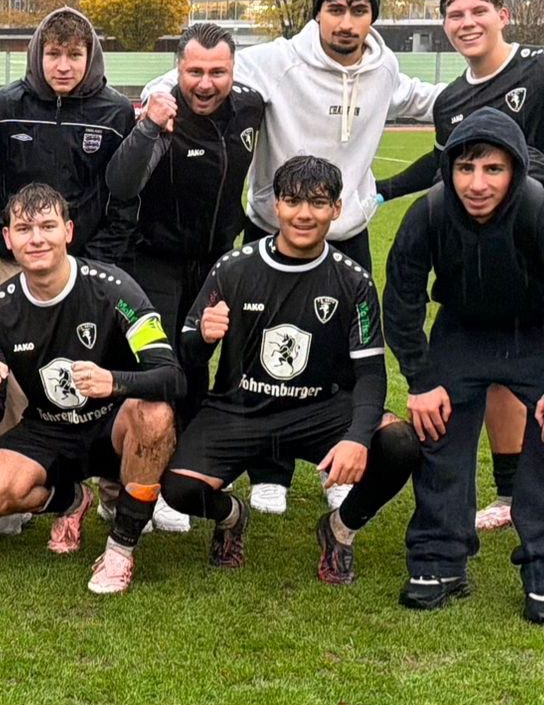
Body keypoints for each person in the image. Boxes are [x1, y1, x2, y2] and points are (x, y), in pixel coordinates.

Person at [142, 0, 438, 516]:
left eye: (359, 11)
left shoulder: (384, 64)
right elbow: (201, 74)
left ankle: (336, 467)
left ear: (373, 16)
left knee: (342, 356)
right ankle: (268, 471)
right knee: (251, 350)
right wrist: (157, 97)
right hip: (268, 227)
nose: (346, 23)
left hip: (345, 231)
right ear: (317, 12)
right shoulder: (278, 59)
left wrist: (481, 93)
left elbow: (420, 98)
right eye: (335, 10)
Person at [161, 154, 420, 583]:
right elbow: (187, 355)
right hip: (239, 408)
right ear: (275, 206)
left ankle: (339, 530)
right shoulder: (233, 268)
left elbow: (372, 374)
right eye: (293, 201)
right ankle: (231, 517)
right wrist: (202, 337)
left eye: (318, 203)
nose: (304, 214)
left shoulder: (353, 281)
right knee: (180, 489)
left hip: (319, 409)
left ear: (336, 209)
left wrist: (357, 439)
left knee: (399, 444)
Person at [377, 0, 544, 534]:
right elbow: (440, 165)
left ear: (504, 15)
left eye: (478, 10)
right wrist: (382, 190)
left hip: (535, 239)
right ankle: (507, 492)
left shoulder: (537, 71)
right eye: (454, 14)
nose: (467, 22)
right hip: (477, 249)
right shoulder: (450, 100)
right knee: (493, 372)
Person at [0, 183, 181, 595]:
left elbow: (172, 376)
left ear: (69, 230)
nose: (37, 238)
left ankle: (121, 549)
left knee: (155, 414)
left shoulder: (115, 289)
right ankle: (70, 500)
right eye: (24, 228)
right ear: (7, 238)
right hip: (48, 426)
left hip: (109, 423)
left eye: (48, 225)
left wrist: (115, 382)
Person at [104, 22, 266, 532]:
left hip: (219, 261)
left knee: (201, 365)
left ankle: (184, 479)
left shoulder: (251, 108)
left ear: (233, 70)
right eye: (195, 70)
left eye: (217, 71)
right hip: (155, 261)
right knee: (156, 366)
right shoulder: (162, 110)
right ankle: (134, 482)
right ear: (178, 68)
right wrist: (149, 127)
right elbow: (121, 184)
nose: (205, 82)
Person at [382, 110, 544, 616]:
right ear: (449, 170)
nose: (477, 184)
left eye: (493, 170)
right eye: (466, 169)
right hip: (462, 333)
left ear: (515, 170)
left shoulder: (538, 211)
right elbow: (403, 300)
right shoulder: (429, 213)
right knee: (439, 432)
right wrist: (421, 378)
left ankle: (541, 569)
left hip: (535, 334)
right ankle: (439, 561)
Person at [0, 6, 137, 286]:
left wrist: (101, 254)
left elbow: (126, 192)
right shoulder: (2, 107)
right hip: (19, 262)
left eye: (75, 55)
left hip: (89, 264)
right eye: (53, 54)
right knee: (13, 330)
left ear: (90, 57)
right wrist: (3, 234)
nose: (63, 66)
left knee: (84, 331)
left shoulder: (116, 112)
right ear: (38, 54)